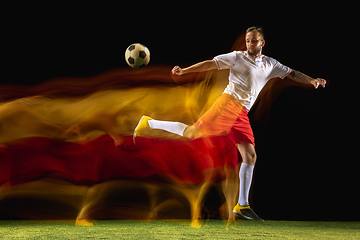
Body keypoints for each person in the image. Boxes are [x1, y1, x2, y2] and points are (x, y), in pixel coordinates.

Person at [133, 26, 326, 221]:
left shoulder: (270, 64)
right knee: (192, 133)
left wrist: (312, 81)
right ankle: (148, 123)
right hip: (227, 105)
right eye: (248, 40)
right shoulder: (237, 57)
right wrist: (185, 71)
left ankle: (242, 206)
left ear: (262, 43)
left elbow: (291, 73)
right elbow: (210, 64)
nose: (250, 43)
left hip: (241, 113)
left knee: (250, 154)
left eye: (254, 40)